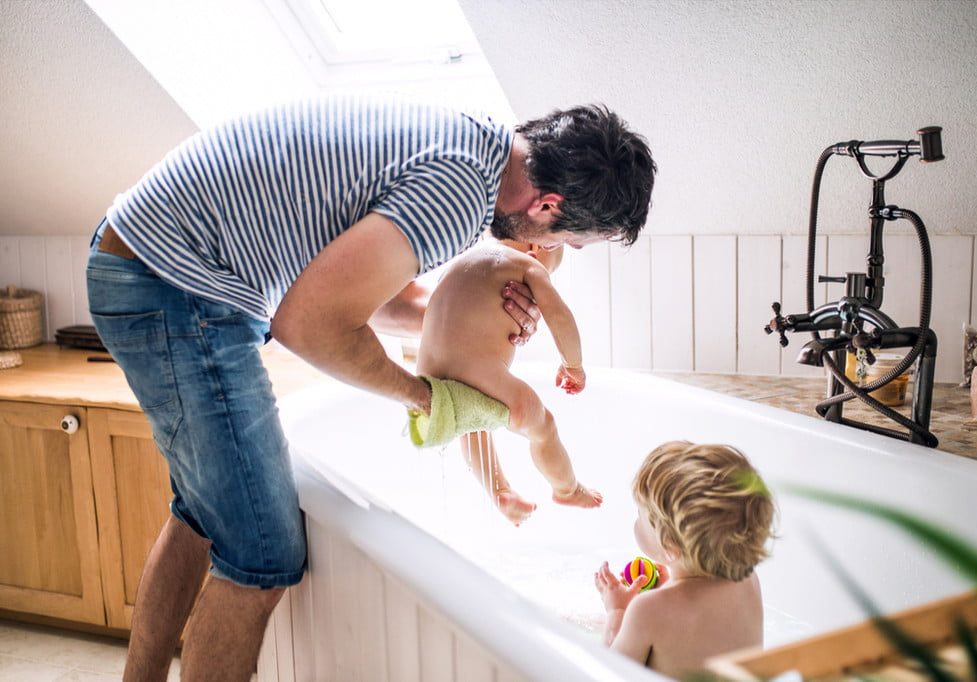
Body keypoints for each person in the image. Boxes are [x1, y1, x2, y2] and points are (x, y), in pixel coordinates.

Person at [86, 94, 656, 681]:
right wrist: (425, 397)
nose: (555, 251)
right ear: (547, 204)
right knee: (263, 552)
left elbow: (361, 297)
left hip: (152, 259)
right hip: (174, 285)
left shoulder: (473, 145)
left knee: (203, 516)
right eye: (568, 239)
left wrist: (463, 321)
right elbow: (307, 324)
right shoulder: (457, 196)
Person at [417, 236, 601, 526]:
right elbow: (559, 317)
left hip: (427, 383)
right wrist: (572, 365)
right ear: (538, 247)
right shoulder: (528, 265)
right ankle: (567, 489)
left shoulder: (465, 262)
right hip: (479, 373)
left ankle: (500, 490)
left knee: (473, 422)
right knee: (543, 426)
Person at [594, 441, 775, 678]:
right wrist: (669, 586)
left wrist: (616, 612)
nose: (636, 521)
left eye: (640, 515)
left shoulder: (647, 610)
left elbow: (607, 673)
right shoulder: (748, 579)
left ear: (670, 547)